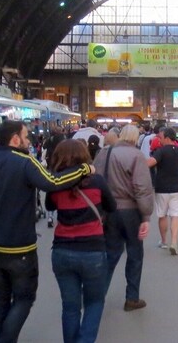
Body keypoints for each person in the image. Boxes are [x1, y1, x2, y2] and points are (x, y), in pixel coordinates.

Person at [0, 121, 93, 343]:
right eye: (26, 136)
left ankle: (5, 338)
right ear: (15, 139)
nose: (29, 140)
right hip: (19, 247)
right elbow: (52, 182)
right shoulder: (25, 162)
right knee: (25, 297)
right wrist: (84, 169)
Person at [45, 139, 117, 343]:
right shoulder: (97, 181)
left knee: (70, 306)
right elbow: (111, 206)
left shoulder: (56, 184)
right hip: (92, 251)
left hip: (61, 251)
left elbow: (50, 207)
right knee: (94, 302)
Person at [93, 124, 154, 311]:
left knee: (110, 254)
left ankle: (96, 297)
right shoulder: (136, 156)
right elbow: (142, 189)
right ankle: (132, 298)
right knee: (135, 255)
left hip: (108, 210)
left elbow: (95, 179)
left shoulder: (104, 153)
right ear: (135, 138)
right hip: (131, 212)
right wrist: (146, 216)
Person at [147, 128, 178, 255]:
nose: (159, 140)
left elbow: (150, 163)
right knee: (175, 215)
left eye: (161, 137)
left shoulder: (161, 152)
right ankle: (174, 241)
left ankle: (164, 241)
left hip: (162, 188)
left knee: (162, 215)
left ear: (167, 138)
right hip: (177, 188)